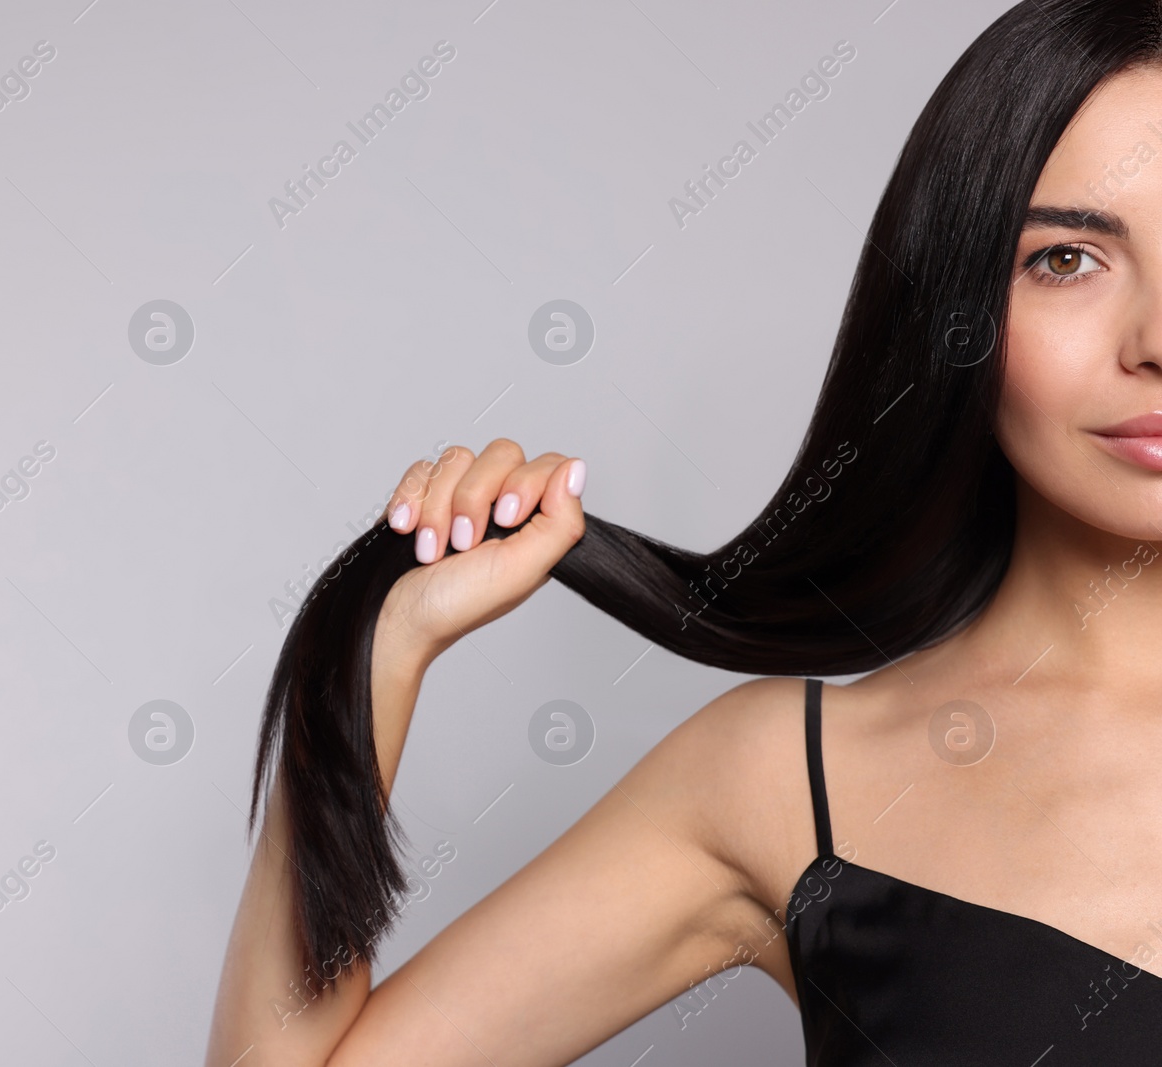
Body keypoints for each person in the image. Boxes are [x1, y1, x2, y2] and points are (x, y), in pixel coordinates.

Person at [209, 0, 1162, 1061]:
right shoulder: (788, 777)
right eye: (1068, 259)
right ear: (959, 308)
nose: (1156, 339)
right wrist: (376, 648)